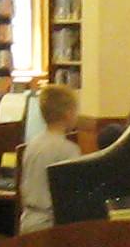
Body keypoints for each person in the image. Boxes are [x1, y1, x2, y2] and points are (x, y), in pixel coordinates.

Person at [16, 84, 86, 231]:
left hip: (28, 219)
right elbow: (72, 193)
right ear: (68, 114)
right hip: (50, 223)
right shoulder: (68, 150)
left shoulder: (31, 145)